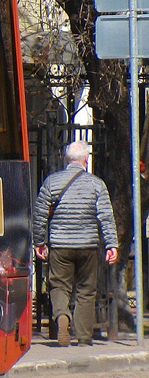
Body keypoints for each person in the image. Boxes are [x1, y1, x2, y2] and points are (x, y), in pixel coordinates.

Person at [32, 140, 118, 347]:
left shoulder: (52, 182)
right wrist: (111, 244)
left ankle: (62, 317)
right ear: (86, 161)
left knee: (59, 286)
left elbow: (40, 214)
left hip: (60, 245)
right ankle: (84, 335)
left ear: (66, 159)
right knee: (86, 290)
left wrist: (39, 241)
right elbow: (105, 216)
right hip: (87, 245)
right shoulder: (97, 184)